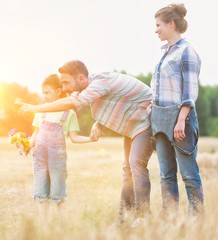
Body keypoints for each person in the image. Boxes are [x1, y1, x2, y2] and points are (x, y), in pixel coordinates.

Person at [18, 60, 153, 227]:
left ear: (81, 78)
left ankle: (143, 217)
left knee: (135, 163)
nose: (65, 87)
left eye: (66, 82)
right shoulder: (87, 87)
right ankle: (123, 220)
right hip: (132, 126)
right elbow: (112, 102)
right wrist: (99, 123)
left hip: (147, 120)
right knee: (127, 170)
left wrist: (36, 108)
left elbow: (71, 104)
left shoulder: (99, 82)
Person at [149, 3, 204, 218]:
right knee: (166, 175)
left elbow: (189, 91)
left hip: (180, 120)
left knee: (189, 175)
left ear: (171, 24)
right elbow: (158, 87)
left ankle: (197, 220)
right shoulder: (164, 54)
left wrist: (181, 120)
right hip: (161, 120)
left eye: (158, 25)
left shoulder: (187, 52)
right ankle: (170, 219)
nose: (156, 29)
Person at [29, 74, 92, 215]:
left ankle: (60, 226)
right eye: (42, 92)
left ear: (58, 91)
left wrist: (91, 139)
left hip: (57, 160)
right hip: (40, 159)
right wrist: (27, 145)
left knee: (58, 194)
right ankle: (45, 226)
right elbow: (36, 134)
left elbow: (74, 138)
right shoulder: (40, 112)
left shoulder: (69, 113)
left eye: (47, 92)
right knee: (41, 193)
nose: (44, 96)